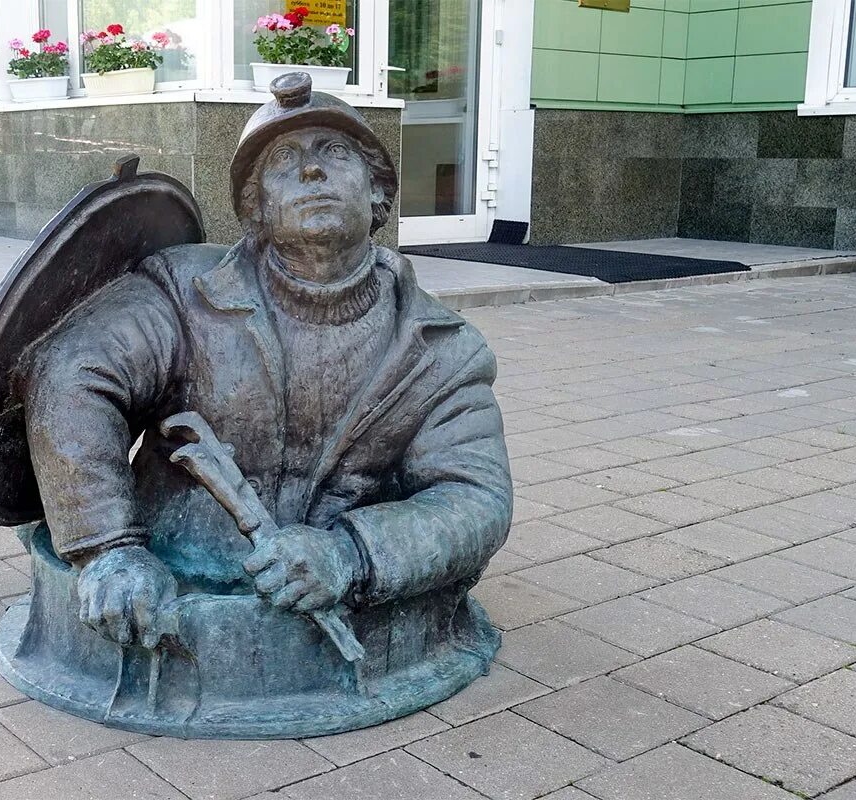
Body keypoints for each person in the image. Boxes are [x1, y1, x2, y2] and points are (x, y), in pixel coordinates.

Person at [25, 72, 513, 656]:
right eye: (286, 159)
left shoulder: (444, 350)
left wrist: (352, 554)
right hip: (173, 568)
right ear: (254, 209)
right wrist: (108, 549)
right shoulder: (182, 289)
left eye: (336, 153)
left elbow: (476, 496)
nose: (313, 171)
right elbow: (71, 370)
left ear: (379, 193)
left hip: (350, 608)